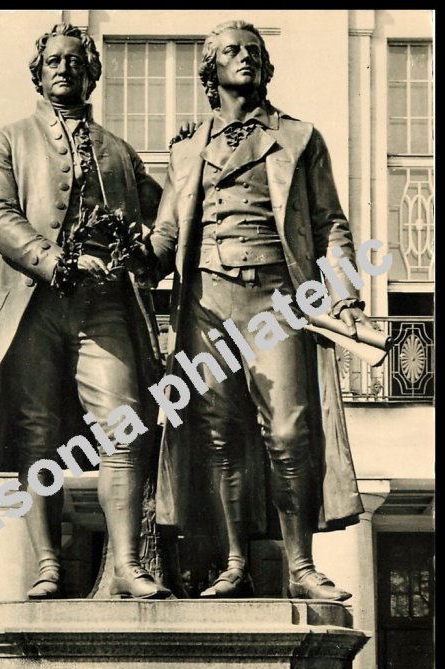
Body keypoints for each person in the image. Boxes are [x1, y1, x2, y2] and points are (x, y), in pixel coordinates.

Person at [151, 19, 373, 600]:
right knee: (219, 434)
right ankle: (234, 563)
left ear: (266, 66)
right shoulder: (186, 149)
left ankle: (300, 565)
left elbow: (329, 223)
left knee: (290, 430)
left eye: (253, 51)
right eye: (231, 51)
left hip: (276, 301)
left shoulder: (299, 138)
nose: (245, 57)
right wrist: (132, 258)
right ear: (211, 69)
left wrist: (346, 294)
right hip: (206, 302)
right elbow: (168, 233)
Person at [0, 23, 169, 600]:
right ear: (38, 74)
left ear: (92, 75)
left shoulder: (120, 152)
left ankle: (127, 565)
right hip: (33, 303)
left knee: (125, 425)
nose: (65, 69)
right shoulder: (6, 141)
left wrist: (186, 165)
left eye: (76, 62)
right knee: (36, 434)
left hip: (104, 307)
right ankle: (47, 564)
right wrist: (55, 260)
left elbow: (165, 223)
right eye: (54, 61)